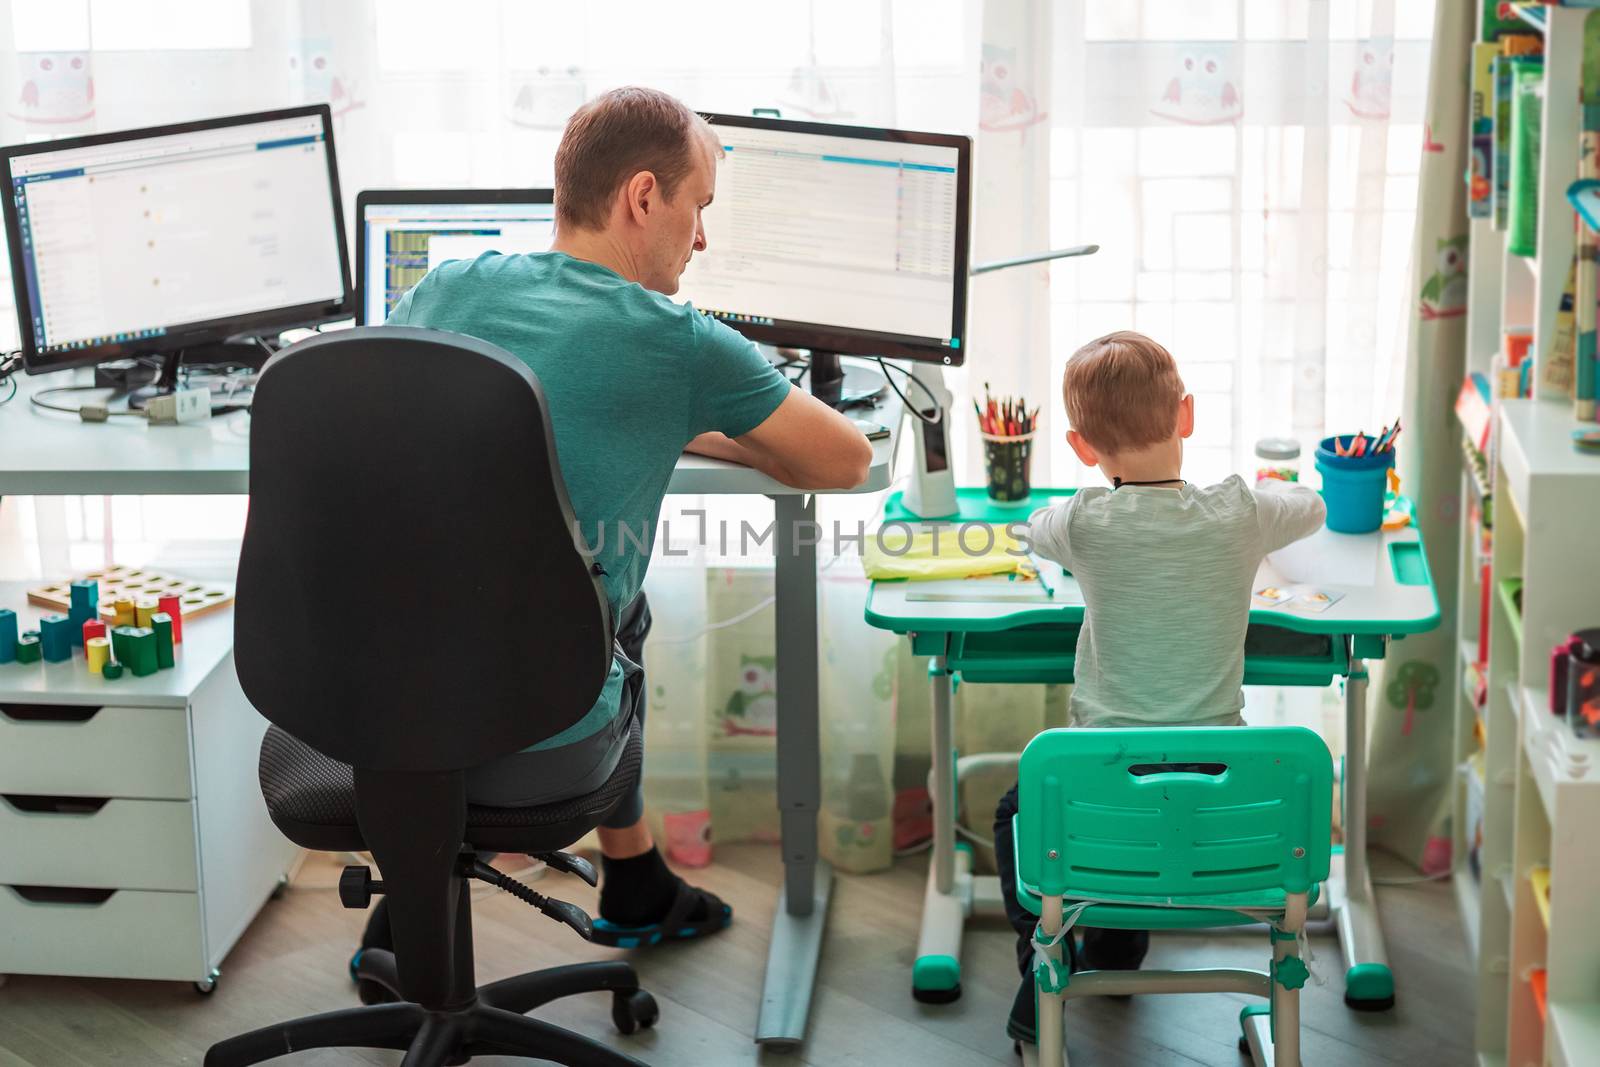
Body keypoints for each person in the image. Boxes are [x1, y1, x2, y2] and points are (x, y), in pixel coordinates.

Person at [353, 86, 873, 982]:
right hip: (541, 738)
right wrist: (708, 419)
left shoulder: (444, 286)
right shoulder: (677, 342)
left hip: (376, 716)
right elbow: (846, 460)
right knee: (611, 612)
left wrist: (673, 420)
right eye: (698, 208)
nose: (700, 240)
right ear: (642, 198)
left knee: (478, 582)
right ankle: (632, 879)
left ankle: (427, 890)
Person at [994, 330, 1326, 1047]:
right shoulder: (1242, 510)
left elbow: (1030, 529)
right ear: (1188, 415)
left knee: (1016, 807)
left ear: (1083, 447)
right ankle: (1114, 940)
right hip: (1229, 818)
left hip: (1098, 814)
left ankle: (1046, 958)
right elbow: (1312, 508)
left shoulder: (1084, 520)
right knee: (1158, 796)